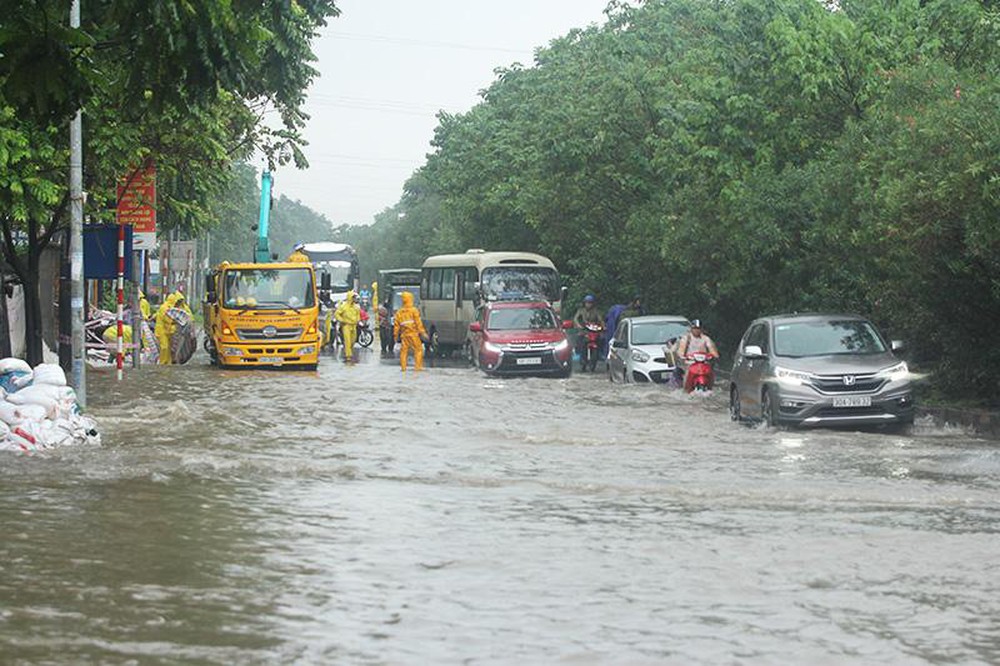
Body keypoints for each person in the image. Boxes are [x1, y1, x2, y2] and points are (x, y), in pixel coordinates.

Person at [676, 319, 720, 391]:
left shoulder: (706, 339)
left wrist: (714, 355)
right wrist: (683, 356)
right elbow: (681, 349)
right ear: (691, 329)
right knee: (686, 374)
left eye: (699, 328)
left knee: (711, 372)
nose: (697, 330)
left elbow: (712, 350)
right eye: (695, 328)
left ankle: (710, 386)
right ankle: (685, 389)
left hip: (703, 363)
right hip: (690, 363)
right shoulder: (686, 338)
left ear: (701, 329)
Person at [393, 291, 427, 371]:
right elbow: (418, 323)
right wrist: (423, 333)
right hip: (414, 335)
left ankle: (403, 369)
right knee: (418, 350)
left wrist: (395, 336)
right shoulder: (414, 310)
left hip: (404, 336)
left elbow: (396, 325)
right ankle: (417, 368)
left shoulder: (399, 312)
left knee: (403, 352)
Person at [334, 292, 362, 362]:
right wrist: (342, 320)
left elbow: (358, 315)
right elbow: (337, 314)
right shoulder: (343, 306)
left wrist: (358, 320)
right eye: (353, 297)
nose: (354, 299)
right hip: (346, 325)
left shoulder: (356, 307)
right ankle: (348, 355)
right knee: (347, 340)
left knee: (353, 340)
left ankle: (349, 350)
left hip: (354, 326)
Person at [154, 293, 180, 365]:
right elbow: (166, 319)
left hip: (168, 331)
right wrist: (175, 321)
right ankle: (162, 363)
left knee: (168, 349)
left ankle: (168, 363)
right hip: (161, 331)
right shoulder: (164, 307)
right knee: (164, 347)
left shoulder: (170, 307)